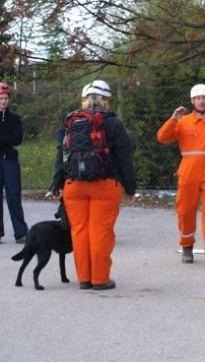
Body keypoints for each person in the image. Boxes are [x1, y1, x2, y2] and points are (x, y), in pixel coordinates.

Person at [51, 80, 136, 290]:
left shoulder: (71, 121)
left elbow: (62, 154)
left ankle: (84, 279)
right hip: (105, 185)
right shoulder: (113, 123)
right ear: (106, 99)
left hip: (74, 185)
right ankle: (100, 279)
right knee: (100, 231)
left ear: (84, 98)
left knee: (79, 231)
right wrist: (130, 188)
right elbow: (125, 158)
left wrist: (57, 184)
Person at [157, 83, 205, 270]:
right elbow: (162, 137)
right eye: (198, 98)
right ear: (193, 101)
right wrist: (173, 119)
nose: (201, 101)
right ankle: (186, 246)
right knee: (185, 211)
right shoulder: (183, 121)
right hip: (188, 172)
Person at [0, 82, 29, 244]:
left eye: (6, 98)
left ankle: (21, 233)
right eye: (1, 98)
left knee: (14, 196)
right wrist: (7, 141)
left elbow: (18, 138)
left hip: (10, 162)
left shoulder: (15, 119)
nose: (3, 101)